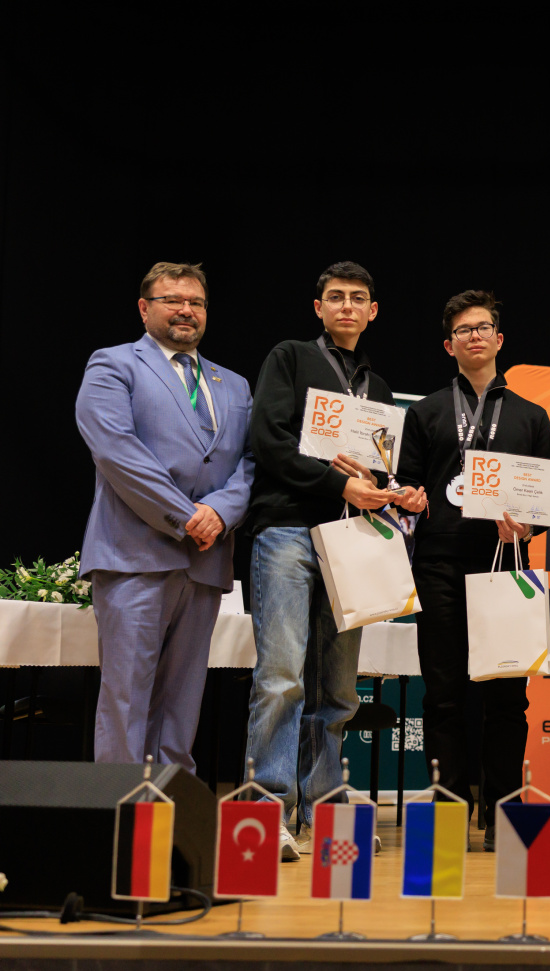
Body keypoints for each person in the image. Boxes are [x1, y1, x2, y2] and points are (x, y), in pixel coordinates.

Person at [244, 261, 426, 860]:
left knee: (340, 690)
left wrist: (398, 493)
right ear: (318, 307)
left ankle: (324, 812)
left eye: (358, 298)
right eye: (336, 297)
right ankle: (269, 809)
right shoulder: (290, 357)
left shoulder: (379, 389)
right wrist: (336, 483)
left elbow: (377, 469)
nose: (347, 306)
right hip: (288, 530)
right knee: (281, 677)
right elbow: (268, 441)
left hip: (352, 539)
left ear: (373, 312)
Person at [76, 262, 255, 771]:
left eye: (196, 302)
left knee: (182, 702)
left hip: (205, 561)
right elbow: (116, 450)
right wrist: (186, 516)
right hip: (134, 554)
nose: (185, 310)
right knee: (127, 698)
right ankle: (121, 807)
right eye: (172, 300)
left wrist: (220, 512)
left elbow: (251, 462)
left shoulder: (234, 384)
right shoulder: (113, 364)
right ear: (144, 308)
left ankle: (171, 808)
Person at [396, 290, 550, 850]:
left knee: (508, 697)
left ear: (499, 339)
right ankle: (447, 812)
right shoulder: (425, 412)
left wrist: (528, 527)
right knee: (442, 696)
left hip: (506, 566)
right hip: (438, 563)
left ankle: (504, 812)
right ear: (449, 345)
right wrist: (409, 499)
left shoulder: (531, 416)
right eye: (463, 330)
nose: (474, 336)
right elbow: (407, 484)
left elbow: (545, 500)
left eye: (483, 327)